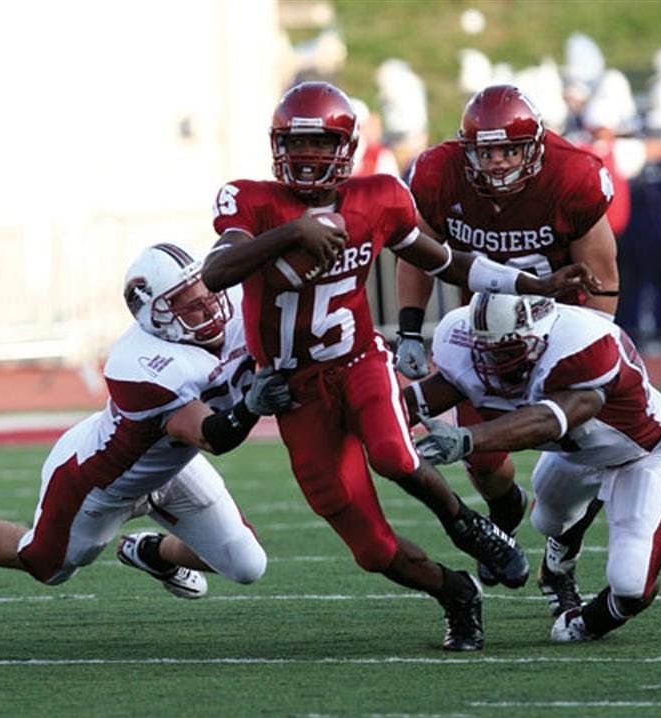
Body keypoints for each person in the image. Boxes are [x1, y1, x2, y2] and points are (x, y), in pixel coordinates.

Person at [203, 81, 601, 650]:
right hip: (295, 391)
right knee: (369, 548)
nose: (309, 154)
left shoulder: (379, 197)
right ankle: (456, 593)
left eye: (322, 141)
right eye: (298, 142)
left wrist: (535, 283)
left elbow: (447, 261)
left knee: (393, 452)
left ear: (345, 145)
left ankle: (469, 525)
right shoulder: (250, 200)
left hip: (358, 361)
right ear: (277, 145)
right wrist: (294, 230)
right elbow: (216, 272)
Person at [0, 243, 289, 598]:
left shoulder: (238, 303)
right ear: (156, 317)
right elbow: (213, 437)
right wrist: (252, 406)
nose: (207, 306)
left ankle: (153, 552)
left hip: (174, 469)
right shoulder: (140, 364)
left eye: (205, 291)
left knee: (246, 565)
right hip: (98, 481)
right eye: (187, 303)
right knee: (46, 565)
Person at [396, 84, 620, 599]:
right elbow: (417, 252)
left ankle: (562, 555)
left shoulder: (573, 175)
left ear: (534, 147)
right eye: (486, 151)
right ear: (466, 149)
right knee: (483, 460)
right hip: (487, 333)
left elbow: (602, 281)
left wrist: (587, 354)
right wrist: (409, 327)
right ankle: (503, 515)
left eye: (508, 150)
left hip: (563, 327)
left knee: (586, 459)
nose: (496, 163)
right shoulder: (438, 173)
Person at [404, 292, 661, 642]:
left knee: (632, 585)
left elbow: (551, 420)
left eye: (507, 352)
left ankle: (586, 622)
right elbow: (428, 395)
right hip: (578, 451)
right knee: (547, 520)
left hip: (641, 452)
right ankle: (557, 567)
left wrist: (466, 438)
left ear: (539, 336)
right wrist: (369, 418)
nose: (495, 364)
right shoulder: (460, 339)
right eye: (486, 352)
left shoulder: (584, 344)